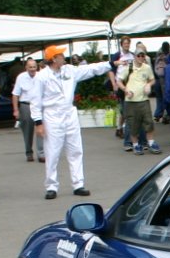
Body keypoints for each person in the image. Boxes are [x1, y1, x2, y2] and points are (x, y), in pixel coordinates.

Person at [32, 44, 117, 200]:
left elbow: (89, 69)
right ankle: (51, 186)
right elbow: (35, 100)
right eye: (60, 55)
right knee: (52, 152)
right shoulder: (42, 76)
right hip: (52, 115)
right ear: (53, 59)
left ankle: (78, 184)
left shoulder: (69, 70)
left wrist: (109, 64)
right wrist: (38, 122)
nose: (63, 57)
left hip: (69, 113)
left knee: (75, 149)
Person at [121, 49, 159, 155]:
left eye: (143, 56)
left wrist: (148, 85)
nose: (141, 57)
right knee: (133, 124)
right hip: (131, 101)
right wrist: (125, 90)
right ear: (135, 57)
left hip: (144, 100)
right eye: (139, 56)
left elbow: (152, 79)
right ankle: (136, 145)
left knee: (149, 122)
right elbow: (119, 81)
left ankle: (151, 143)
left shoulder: (147, 68)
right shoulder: (128, 68)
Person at [11, 58, 44, 162]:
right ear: (26, 67)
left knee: (40, 128)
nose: (32, 69)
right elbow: (15, 94)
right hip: (26, 105)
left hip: (39, 105)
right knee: (27, 130)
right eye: (30, 67)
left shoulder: (41, 76)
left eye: (34, 67)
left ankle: (41, 153)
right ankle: (29, 151)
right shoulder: (21, 77)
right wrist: (16, 109)